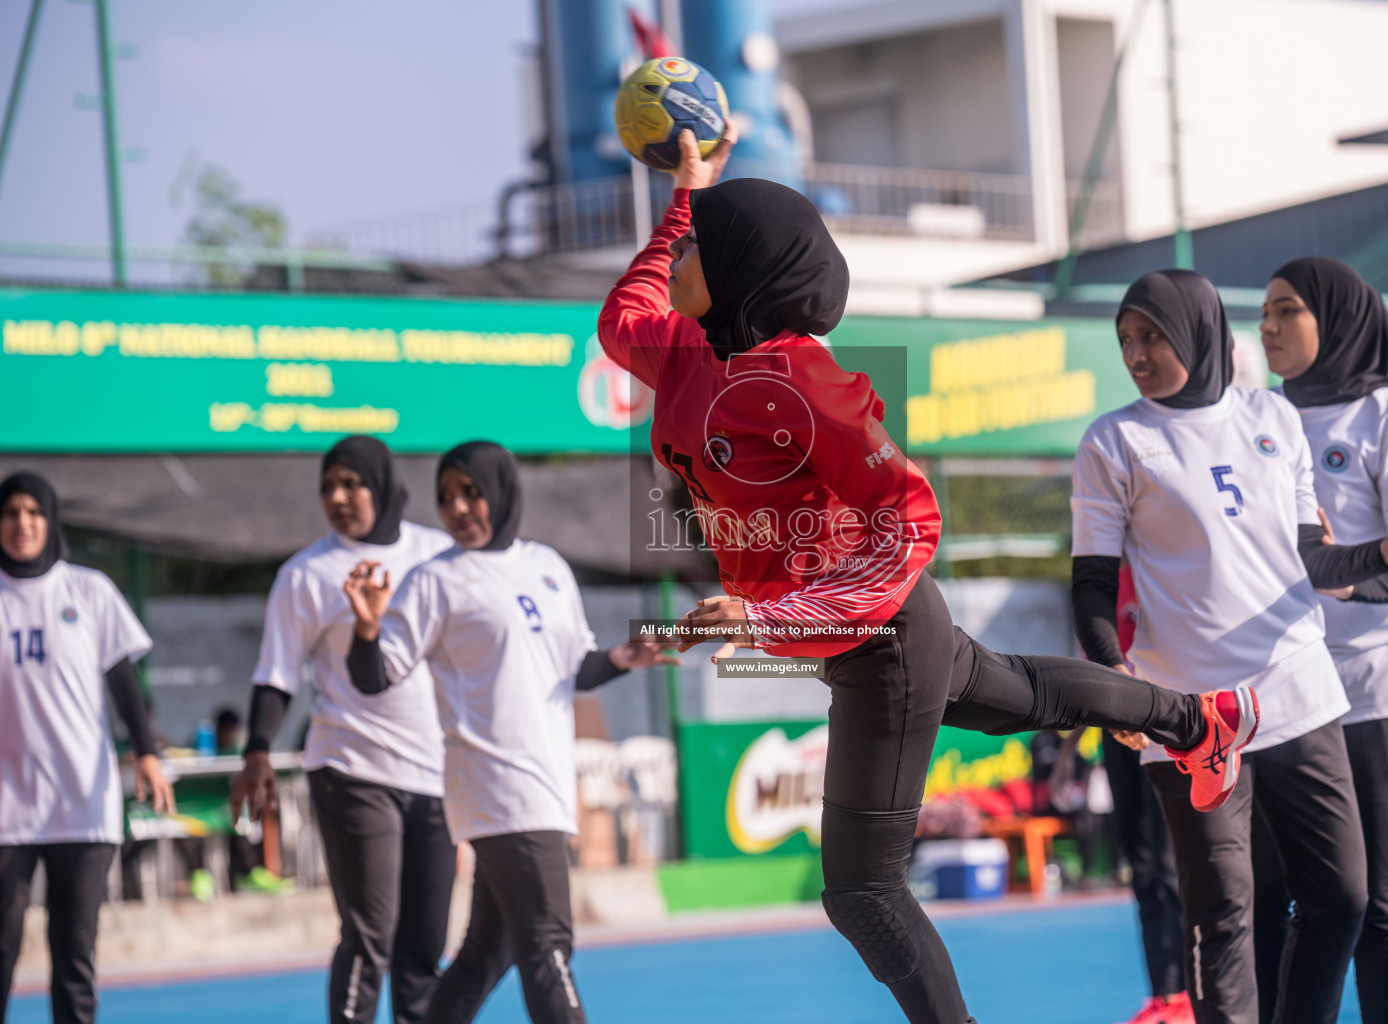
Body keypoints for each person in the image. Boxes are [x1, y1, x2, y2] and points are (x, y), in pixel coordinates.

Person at [596, 128, 1251, 1024]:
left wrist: (769, 616)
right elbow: (619, 313)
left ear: (744, 263)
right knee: (1021, 696)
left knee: (862, 891)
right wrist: (687, 193)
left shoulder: (804, 379)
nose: (678, 255)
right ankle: (1197, 718)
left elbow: (910, 518)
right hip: (862, 632)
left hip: (884, 637)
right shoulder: (679, 352)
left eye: (699, 242)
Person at [1069, 269, 1388, 1024]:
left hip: (1300, 694)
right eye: (1125, 340)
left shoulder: (1275, 416)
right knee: (1226, 916)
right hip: (1192, 719)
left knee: (1348, 899)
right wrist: (1111, 673)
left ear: (1198, 330)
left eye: (1152, 335)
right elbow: (1091, 582)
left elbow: (1313, 559)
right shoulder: (1114, 441)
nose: (1137, 354)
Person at [342, 441, 678, 1024]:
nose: (458, 508)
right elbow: (373, 677)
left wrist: (626, 655)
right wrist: (367, 630)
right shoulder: (434, 581)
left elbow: (575, 668)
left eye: (470, 492)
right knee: (548, 943)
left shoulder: (547, 565)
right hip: (495, 784)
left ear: (501, 490)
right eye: (446, 497)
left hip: (545, 782)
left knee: (485, 954)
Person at [1255, 256, 1388, 1023]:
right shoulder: (1255, 419)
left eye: (1286, 311)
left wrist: (1345, 580)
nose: (1267, 327)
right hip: (1277, 691)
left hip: (1372, 689)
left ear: (1334, 319)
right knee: (1280, 900)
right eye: (1264, 313)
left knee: (1376, 901)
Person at [230, 436, 457, 1024]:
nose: (337, 496)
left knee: (425, 945)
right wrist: (257, 751)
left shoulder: (438, 556)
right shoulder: (304, 574)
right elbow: (276, 675)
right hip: (350, 767)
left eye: (351, 483)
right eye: (328, 486)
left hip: (436, 773)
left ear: (381, 486)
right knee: (369, 933)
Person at [0, 472, 175, 1024]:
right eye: (10, 512)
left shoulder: (88, 589)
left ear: (50, 521)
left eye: (33, 511)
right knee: (1, 948)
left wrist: (147, 753)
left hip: (82, 801)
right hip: (7, 806)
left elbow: (123, 679)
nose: (22, 523)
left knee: (74, 954)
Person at [1102, 566, 1192, 1024]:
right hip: (1113, 720)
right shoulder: (1103, 573)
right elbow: (1095, 659)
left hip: (1161, 716)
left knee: (1167, 865)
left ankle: (1186, 993)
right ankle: (1162, 993)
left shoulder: (1162, 560)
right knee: (1139, 867)